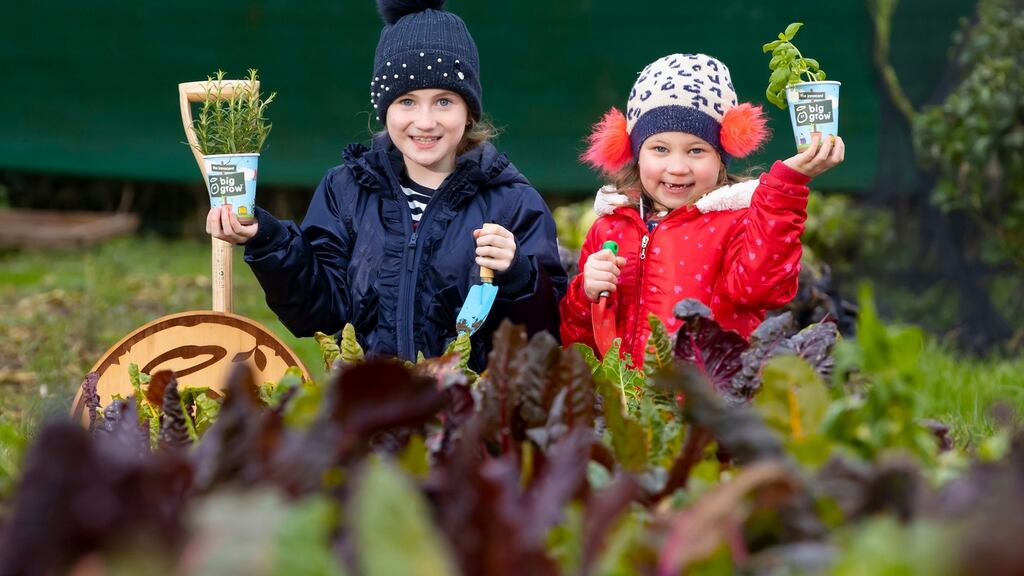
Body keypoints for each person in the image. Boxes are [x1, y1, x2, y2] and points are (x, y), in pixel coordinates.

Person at [207, 0, 567, 371]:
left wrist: (520, 276)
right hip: (370, 412)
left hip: (470, 418)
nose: (424, 122)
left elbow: (546, 339)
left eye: (444, 101)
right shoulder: (345, 190)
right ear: (385, 110)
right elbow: (316, 312)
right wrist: (269, 240)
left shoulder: (513, 203)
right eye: (407, 102)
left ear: (469, 111)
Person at [560, 53, 844, 366]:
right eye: (660, 149)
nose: (678, 167)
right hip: (626, 406)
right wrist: (585, 295)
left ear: (721, 157)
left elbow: (764, 289)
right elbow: (577, 341)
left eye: (696, 150)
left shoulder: (736, 223)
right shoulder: (609, 228)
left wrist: (785, 187)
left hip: (708, 406)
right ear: (636, 154)